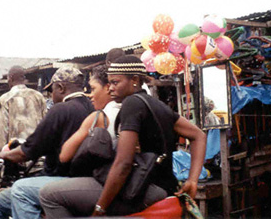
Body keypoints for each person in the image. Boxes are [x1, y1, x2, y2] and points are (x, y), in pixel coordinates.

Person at [39, 55, 207, 218]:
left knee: (49, 195)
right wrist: (192, 180)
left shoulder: (131, 104)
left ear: (134, 80)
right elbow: (198, 135)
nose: (110, 87)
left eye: (115, 82)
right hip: (162, 187)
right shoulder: (155, 104)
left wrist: (100, 208)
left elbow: (123, 164)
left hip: (141, 188)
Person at [0, 66, 94, 219]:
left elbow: (27, 150)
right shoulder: (92, 108)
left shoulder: (60, 109)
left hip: (59, 178)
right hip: (83, 181)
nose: (51, 94)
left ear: (60, 87)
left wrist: (2, 153)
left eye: (52, 90)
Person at [60, 66, 121, 165]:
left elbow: (64, 156)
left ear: (107, 88)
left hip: (100, 176)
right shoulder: (127, 109)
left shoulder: (98, 117)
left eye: (93, 89)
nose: (90, 95)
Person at [0, 65, 47, 155]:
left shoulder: (6, 98)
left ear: (10, 78)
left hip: (16, 155)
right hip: (37, 154)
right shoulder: (38, 96)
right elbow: (46, 124)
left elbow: (2, 131)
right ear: (24, 78)